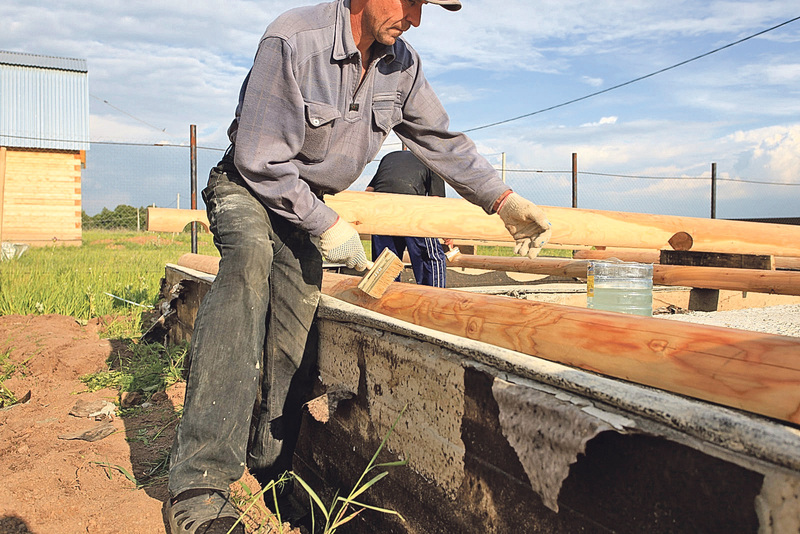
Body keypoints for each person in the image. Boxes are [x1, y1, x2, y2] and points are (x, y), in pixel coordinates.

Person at [165, 0, 552, 532]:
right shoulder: (293, 39)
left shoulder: (402, 66)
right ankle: (200, 486)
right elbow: (259, 159)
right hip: (249, 189)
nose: (416, 18)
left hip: (307, 206)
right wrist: (325, 224)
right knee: (249, 268)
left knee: (293, 331)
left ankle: (271, 472)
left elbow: (440, 141)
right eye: (411, 1)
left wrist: (503, 201)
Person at [366, 150, 448, 287]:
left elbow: (369, 191)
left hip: (380, 208)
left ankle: (383, 302)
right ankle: (434, 299)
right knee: (430, 259)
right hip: (411, 208)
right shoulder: (434, 160)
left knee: (385, 262)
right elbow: (436, 202)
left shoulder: (389, 156)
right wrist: (445, 232)